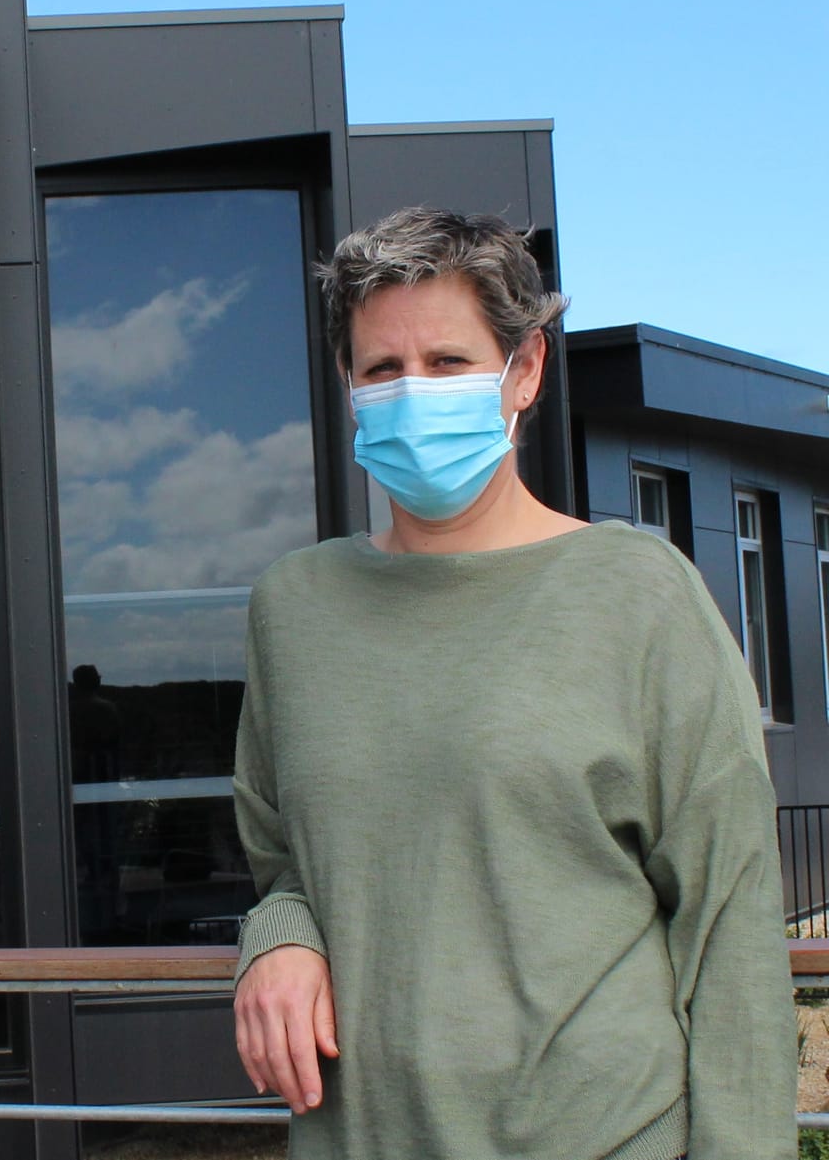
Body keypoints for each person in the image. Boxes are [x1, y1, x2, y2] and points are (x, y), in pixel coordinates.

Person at [230, 208, 791, 1159]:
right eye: (382, 369)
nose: (412, 394)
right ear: (348, 383)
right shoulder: (295, 606)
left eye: (448, 363)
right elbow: (283, 852)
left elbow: (730, 921)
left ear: (524, 371)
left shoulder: (642, 595)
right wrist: (279, 932)